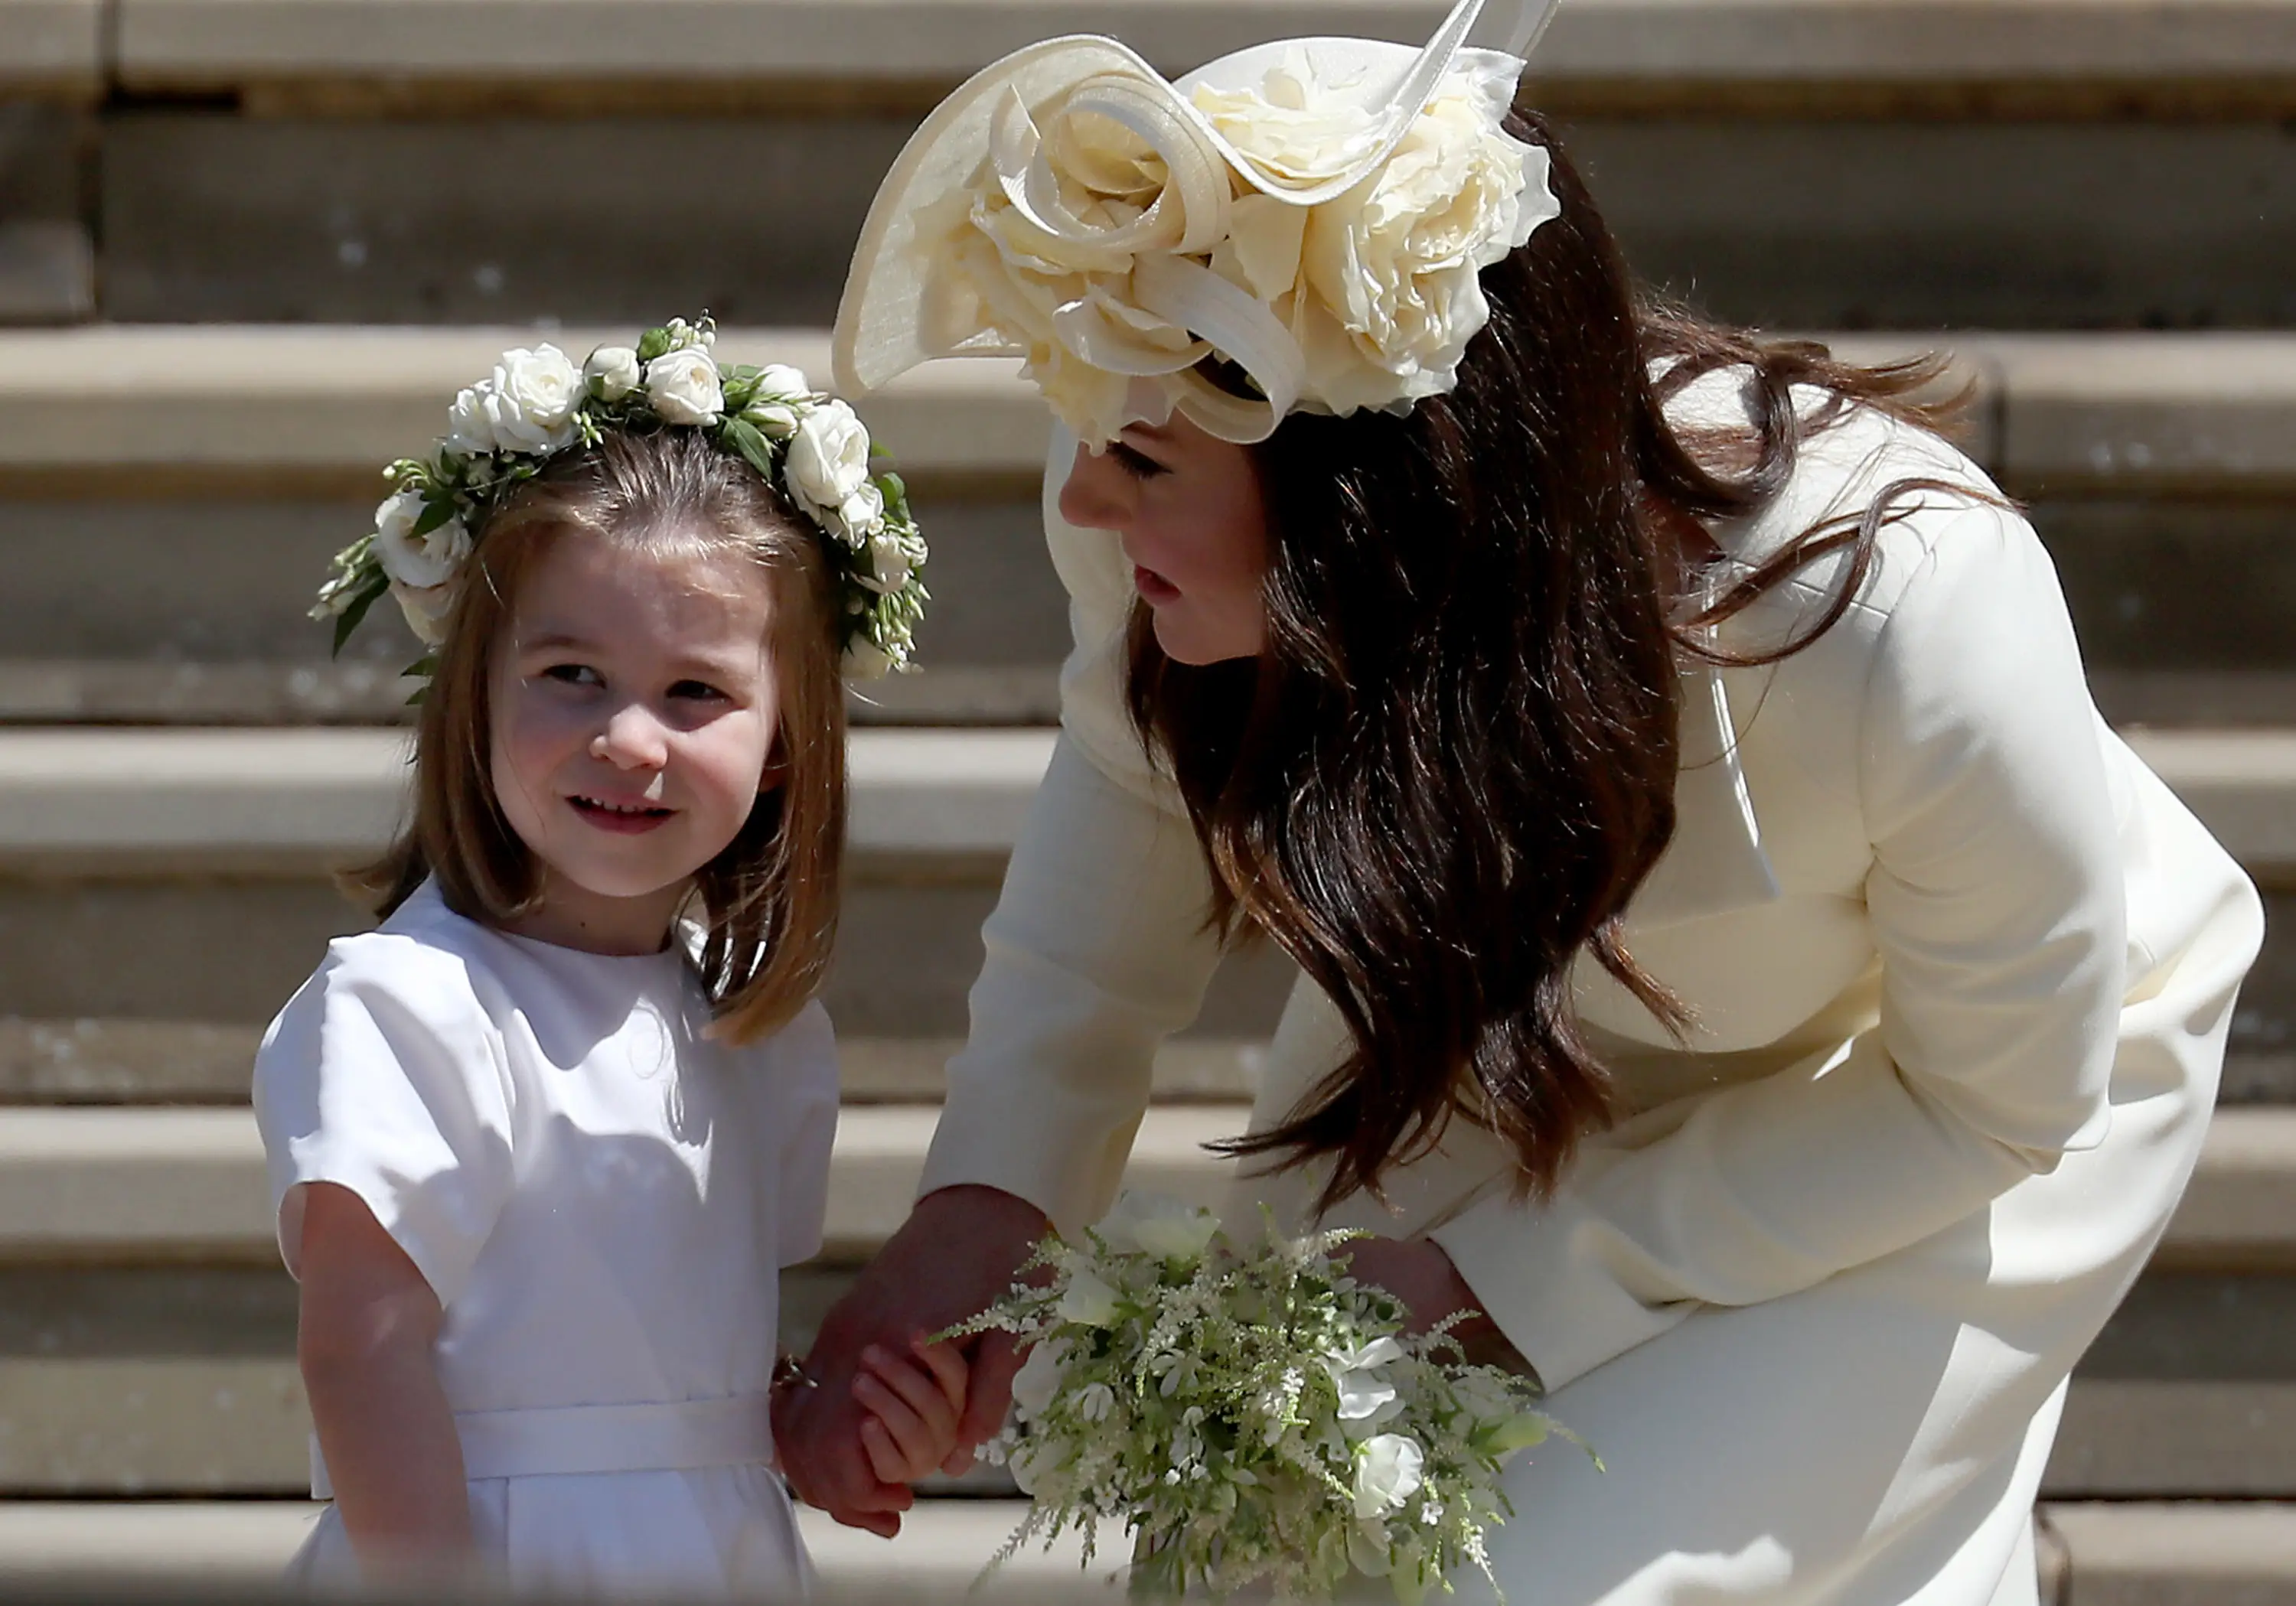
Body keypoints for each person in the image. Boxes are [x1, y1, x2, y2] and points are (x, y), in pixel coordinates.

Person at [780, 2, 2267, 1601]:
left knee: (1550, 1580)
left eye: (1142, 458)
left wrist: (1511, 1278)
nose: (1080, 498)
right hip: (1512, 1002)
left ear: (1376, 492)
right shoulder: (1169, 528)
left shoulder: (1906, 613)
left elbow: (1988, 1104)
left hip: (1939, 1094)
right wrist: (984, 1211)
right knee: (1267, 1550)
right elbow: (1128, 826)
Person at [254, 322, 960, 1595]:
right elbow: (363, 1353)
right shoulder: (412, 1007)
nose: (629, 739)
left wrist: (809, 1427)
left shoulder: (753, 1031)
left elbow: (677, 1370)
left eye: (695, 692)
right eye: (572, 674)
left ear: (787, 740)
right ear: (476, 695)